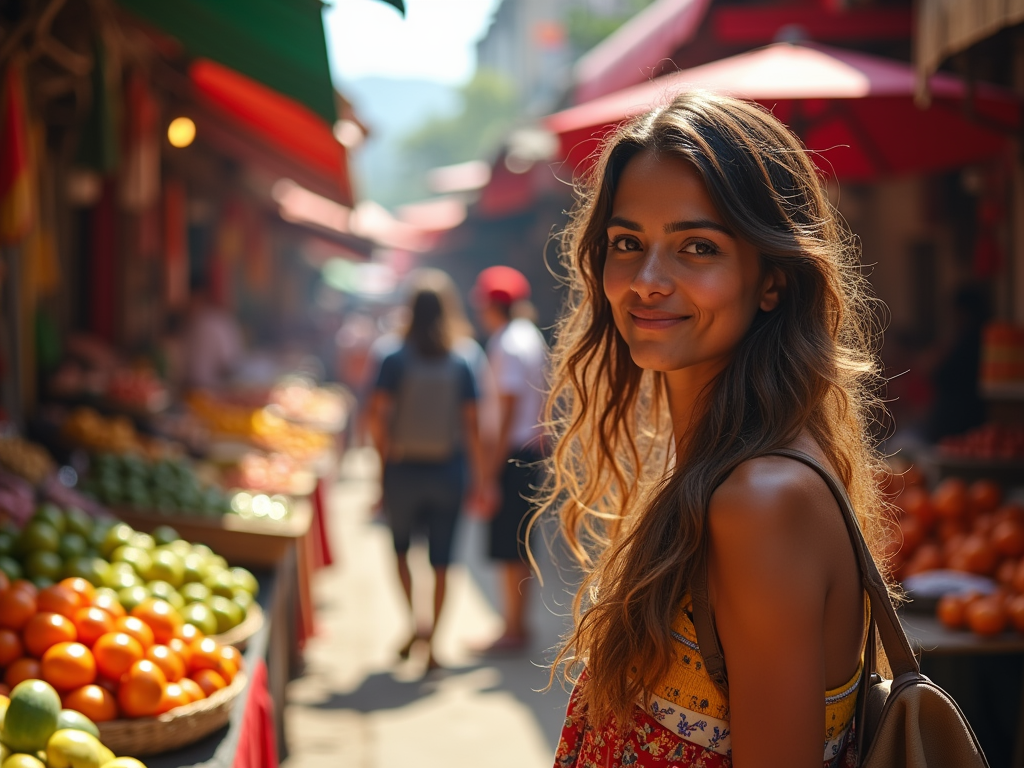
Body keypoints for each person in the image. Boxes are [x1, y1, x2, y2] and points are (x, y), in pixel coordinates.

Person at [540, 91, 893, 768]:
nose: (646, 280)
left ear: (771, 280)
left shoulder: (760, 500)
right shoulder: (729, 469)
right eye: (627, 243)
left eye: (696, 247)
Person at [366, 272, 486, 672]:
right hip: (448, 470)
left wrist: (380, 472)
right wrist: (481, 478)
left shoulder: (393, 356)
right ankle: (432, 642)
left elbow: (378, 419)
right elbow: (471, 426)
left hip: (403, 469)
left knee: (401, 552)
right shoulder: (464, 357)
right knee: (443, 561)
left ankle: (414, 625)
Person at [473, 265, 548, 652]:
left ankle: (513, 629)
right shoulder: (530, 337)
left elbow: (505, 411)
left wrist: (487, 472)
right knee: (520, 545)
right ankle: (517, 624)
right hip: (530, 451)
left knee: (511, 548)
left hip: (513, 455)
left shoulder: (507, 343)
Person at [181, 282, 244, 391]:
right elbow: (229, 364)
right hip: (205, 389)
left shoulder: (192, 322)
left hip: (199, 390)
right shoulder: (215, 322)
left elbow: (228, 364)